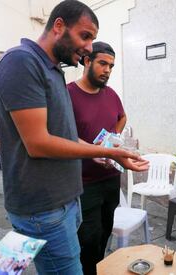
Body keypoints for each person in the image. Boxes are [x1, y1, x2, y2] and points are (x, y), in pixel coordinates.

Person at [0, 1, 148, 274]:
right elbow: (38, 142)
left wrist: (112, 153)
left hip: (65, 200)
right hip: (42, 209)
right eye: (85, 36)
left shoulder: (52, 70)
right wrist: (112, 153)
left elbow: (66, 138)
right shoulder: (21, 61)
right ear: (58, 25)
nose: (89, 47)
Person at [67, 41, 126, 274]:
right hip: (83, 182)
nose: (107, 70)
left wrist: (112, 139)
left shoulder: (111, 94)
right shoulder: (68, 93)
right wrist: (96, 150)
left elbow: (122, 117)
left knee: (105, 232)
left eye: (111, 66)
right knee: (88, 239)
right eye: (103, 63)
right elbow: (64, 134)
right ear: (87, 61)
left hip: (111, 177)